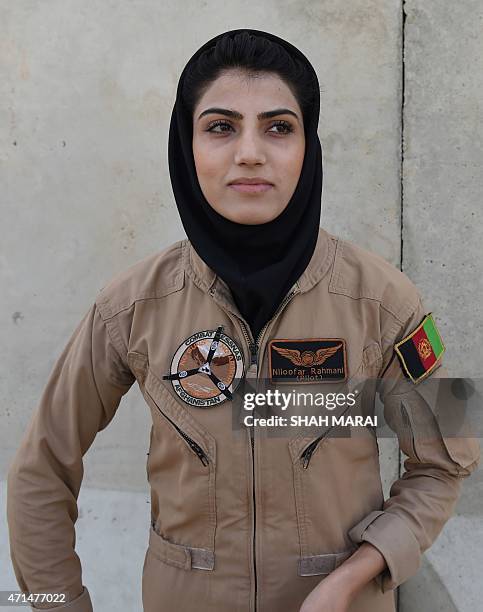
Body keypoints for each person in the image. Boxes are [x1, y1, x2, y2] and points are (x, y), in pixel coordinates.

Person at [6, 28, 480, 612]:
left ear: (310, 147)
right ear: (187, 145)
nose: (250, 152)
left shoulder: (387, 300)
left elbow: (445, 463)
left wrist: (354, 577)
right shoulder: (129, 307)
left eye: (279, 127)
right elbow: (40, 471)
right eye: (221, 127)